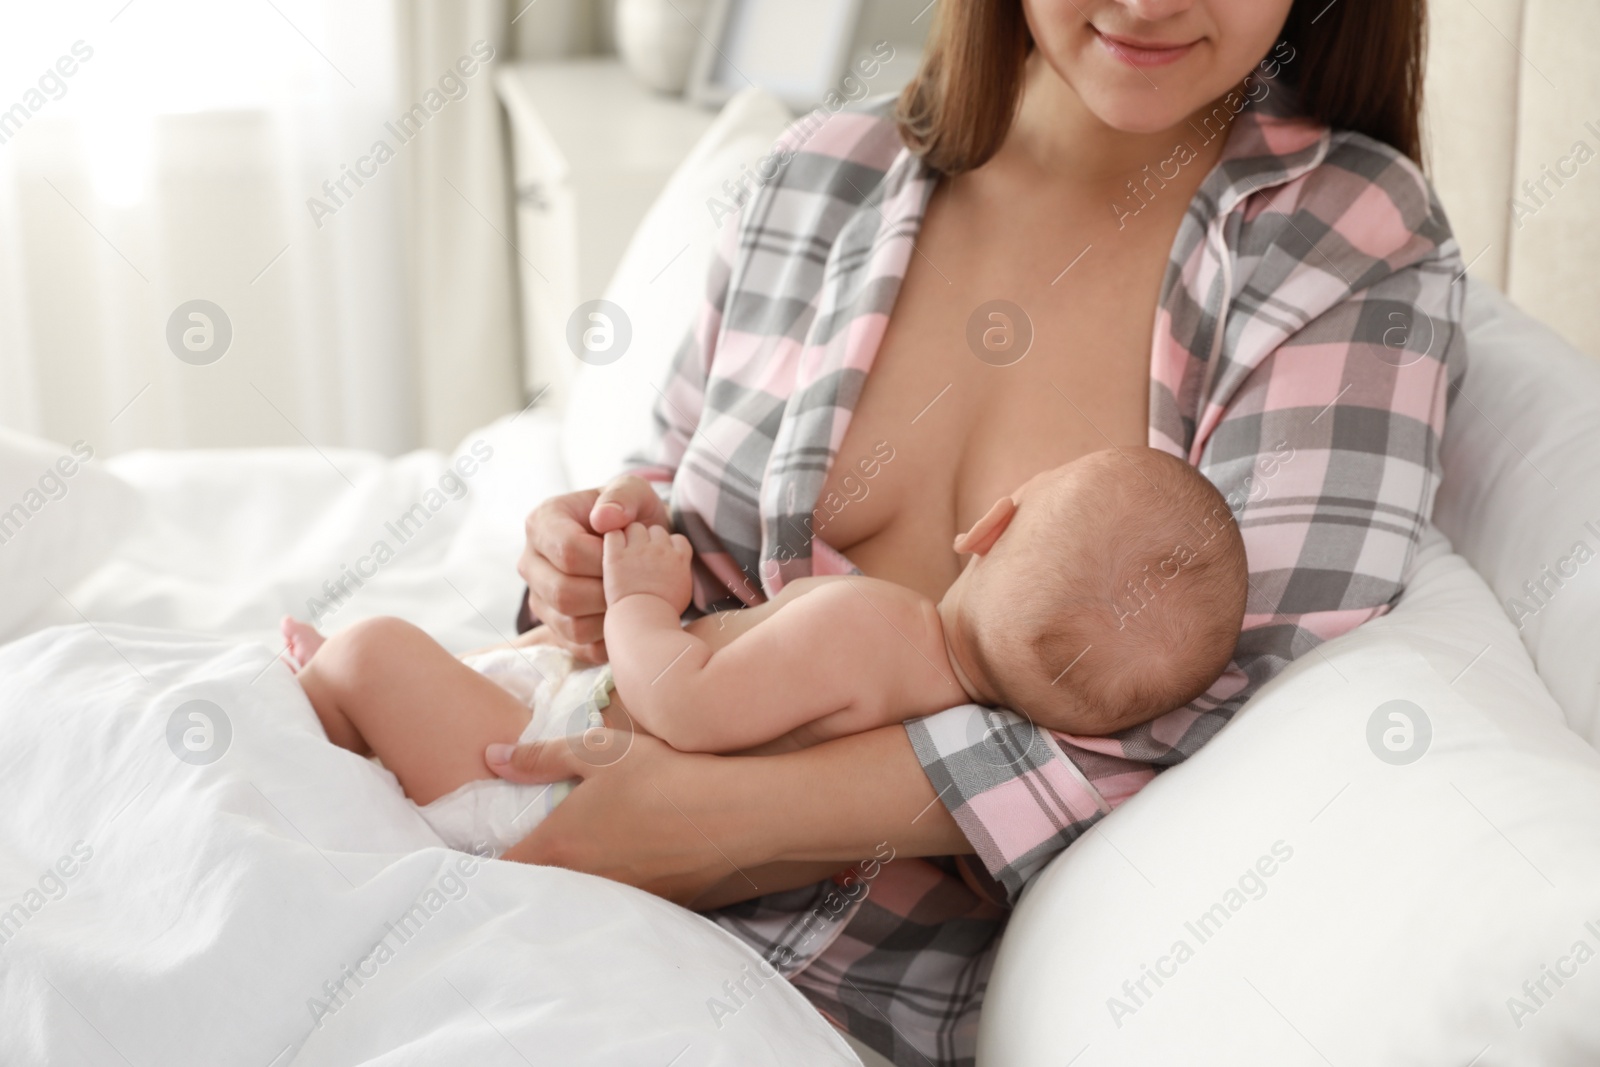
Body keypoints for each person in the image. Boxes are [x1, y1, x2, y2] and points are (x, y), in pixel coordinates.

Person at [490, 1, 1466, 1062]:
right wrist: (586, 550)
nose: (1149, 4)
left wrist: (722, 816)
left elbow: (1237, 688)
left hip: (847, 1004)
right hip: (550, 845)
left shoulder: (1340, 239)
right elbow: (670, 481)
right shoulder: (819, 169)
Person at [282, 450, 1247, 894]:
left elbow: (690, 709)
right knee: (498, 661)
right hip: (578, 757)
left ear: (991, 522)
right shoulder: (940, 706)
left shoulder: (870, 621)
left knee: (372, 648)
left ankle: (318, 717)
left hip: (550, 792)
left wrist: (641, 603)